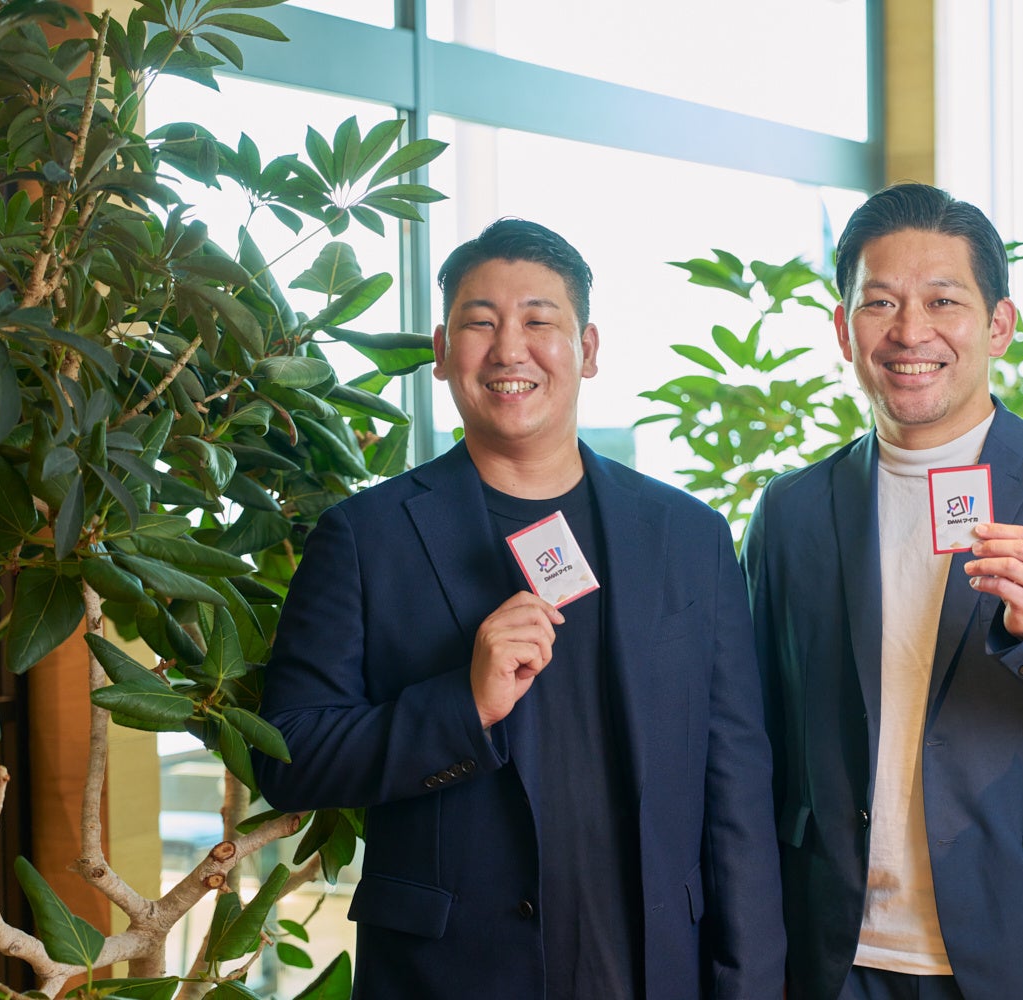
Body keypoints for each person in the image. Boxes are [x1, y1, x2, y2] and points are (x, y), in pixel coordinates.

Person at [255, 219, 785, 999]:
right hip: (448, 976)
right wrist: (462, 706)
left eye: (539, 321)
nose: (510, 350)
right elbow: (287, 756)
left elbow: (735, 783)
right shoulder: (365, 537)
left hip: (652, 967)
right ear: (442, 351)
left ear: (588, 348)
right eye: (481, 323)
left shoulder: (686, 536)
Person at [742, 183, 1023, 1000]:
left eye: (943, 301)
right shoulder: (792, 510)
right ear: (843, 329)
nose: (911, 331)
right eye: (880, 303)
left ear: (998, 326)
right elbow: (753, 738)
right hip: (841, 957)